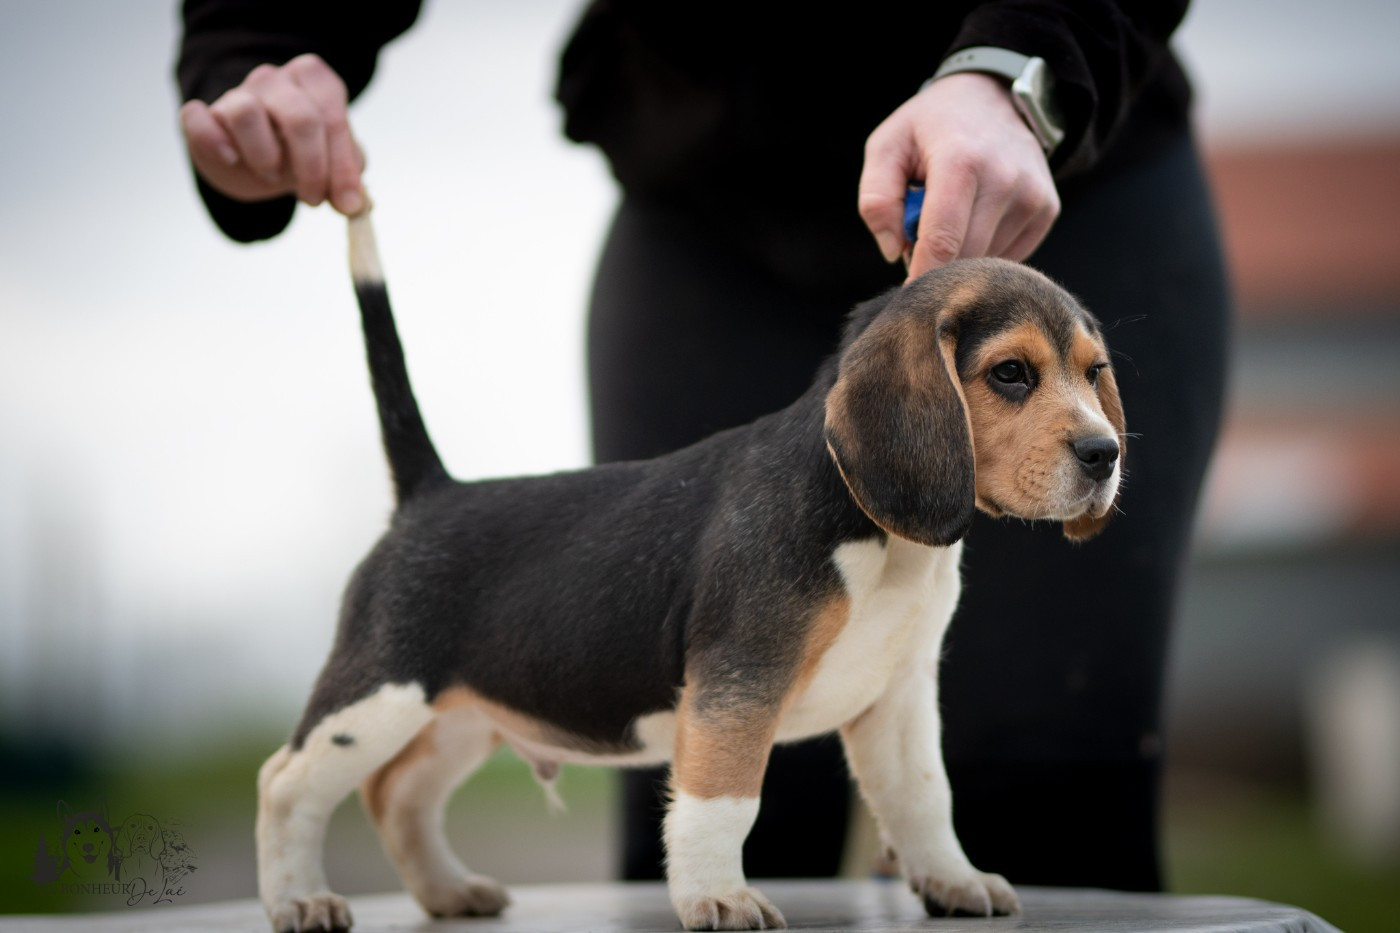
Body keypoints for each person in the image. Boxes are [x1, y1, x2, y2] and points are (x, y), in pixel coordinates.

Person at [177, 0, 1229, 891]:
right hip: (706, 208)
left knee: (1052, 796)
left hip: (1063, 174)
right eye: (1022, 380)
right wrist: (252, 49)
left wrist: (1018, 67)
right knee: (710, 752)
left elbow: (897, 704)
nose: (1099, 430)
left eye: (1093, 381)